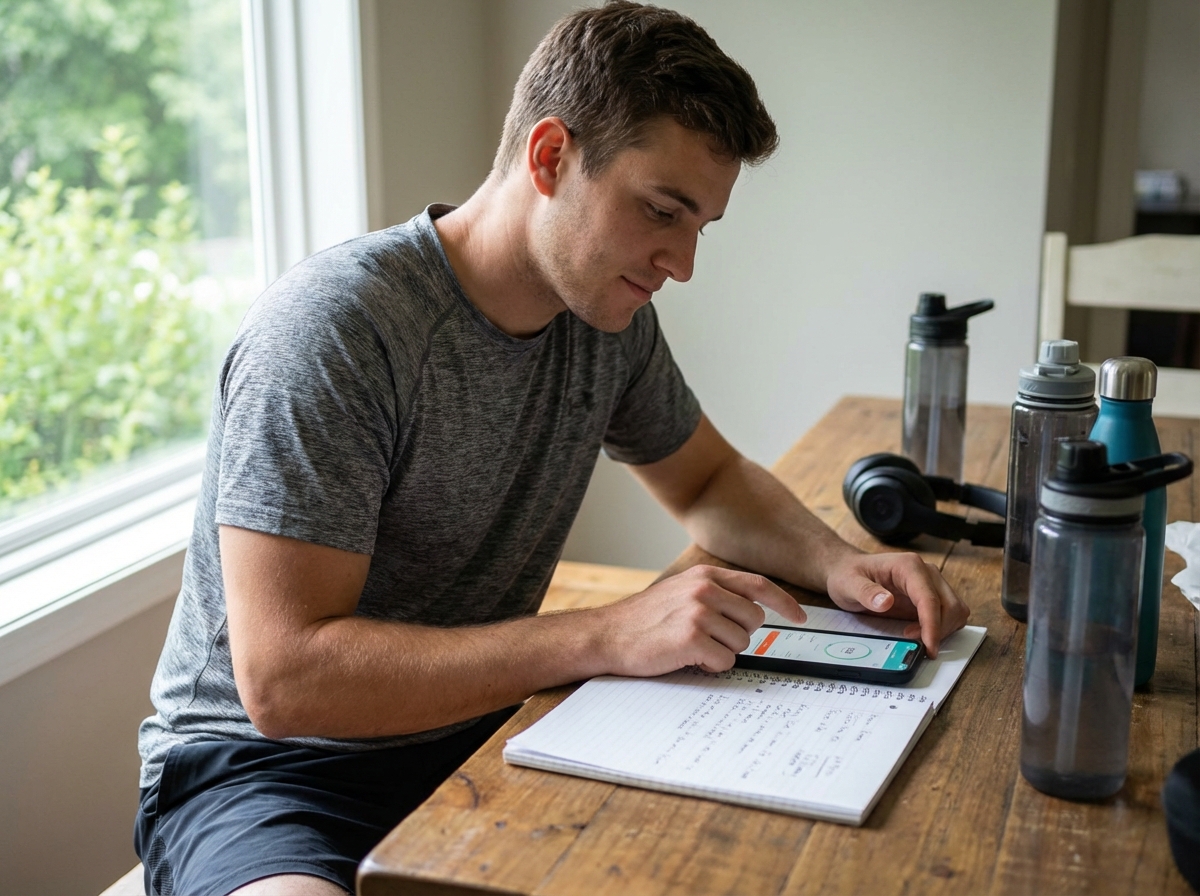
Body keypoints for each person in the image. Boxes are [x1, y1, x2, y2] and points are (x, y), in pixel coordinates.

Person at [135, 3, 969, 894]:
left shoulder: (607, 321)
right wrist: (605, 633)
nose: (682, 263)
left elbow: (708, 480)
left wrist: (841, 565)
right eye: (662, 210)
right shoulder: (336, 331)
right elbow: (286, 681)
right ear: (549, 157)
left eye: (700, 226)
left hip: (485, 731)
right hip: (270, 778)